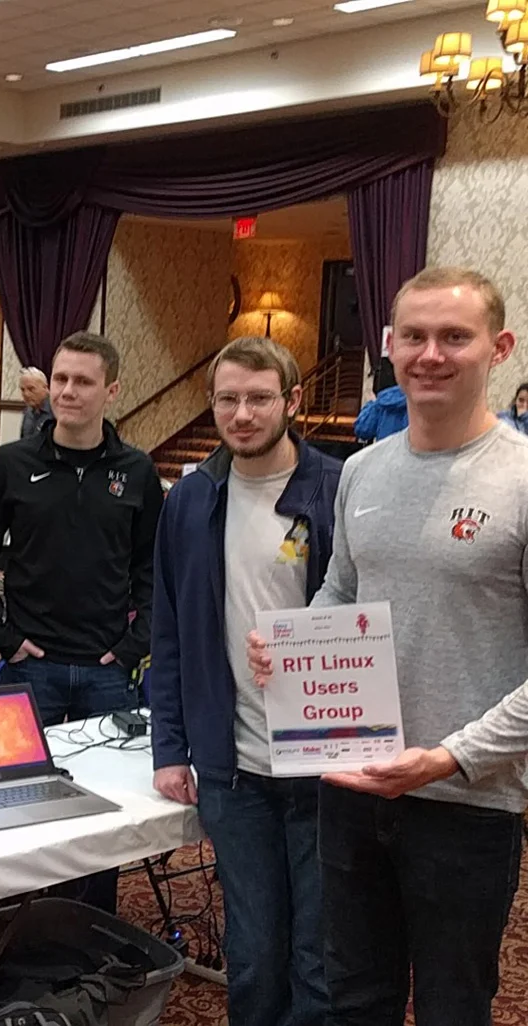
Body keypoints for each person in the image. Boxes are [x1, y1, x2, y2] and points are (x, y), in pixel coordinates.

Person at [248, 267, 528, 1026]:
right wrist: (295, 650)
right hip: (352, 783)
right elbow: (342, 589)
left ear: (498, 347)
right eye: (414, 336)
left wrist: (449, 756)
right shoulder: (363, 470)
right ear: (389, 346)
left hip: (468, 801)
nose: (430, 354)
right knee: (356, 999)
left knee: (451, 1007)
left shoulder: (521, 479)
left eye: (454, 337)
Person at [151, 336, 341, 1026]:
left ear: (292, 401)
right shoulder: (192, 499)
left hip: (325, 763)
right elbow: (168, 630)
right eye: (227, 399)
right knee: (256, 951)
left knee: (320, 954)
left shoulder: (337, 489)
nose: (242, 413)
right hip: (233, 768)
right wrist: (170, 745)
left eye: (259, 398)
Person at [0, 331, 163, 912]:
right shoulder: (11, 465)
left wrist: (133, 645)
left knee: (102, 810)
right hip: (32, 666)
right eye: (61, 380)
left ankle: (90, 926)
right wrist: (2, 636)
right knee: (13, 799)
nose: (67, 392)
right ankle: (17, 921)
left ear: (112, 390)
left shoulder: (138, 473)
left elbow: (152, 569)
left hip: (106, 671)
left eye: (83, 381)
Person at [18, 366, 53, 439]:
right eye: (23, 390)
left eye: (31, 389)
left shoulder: (55, 411)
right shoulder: (28, 411)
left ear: (45, 388)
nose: (26, 394)